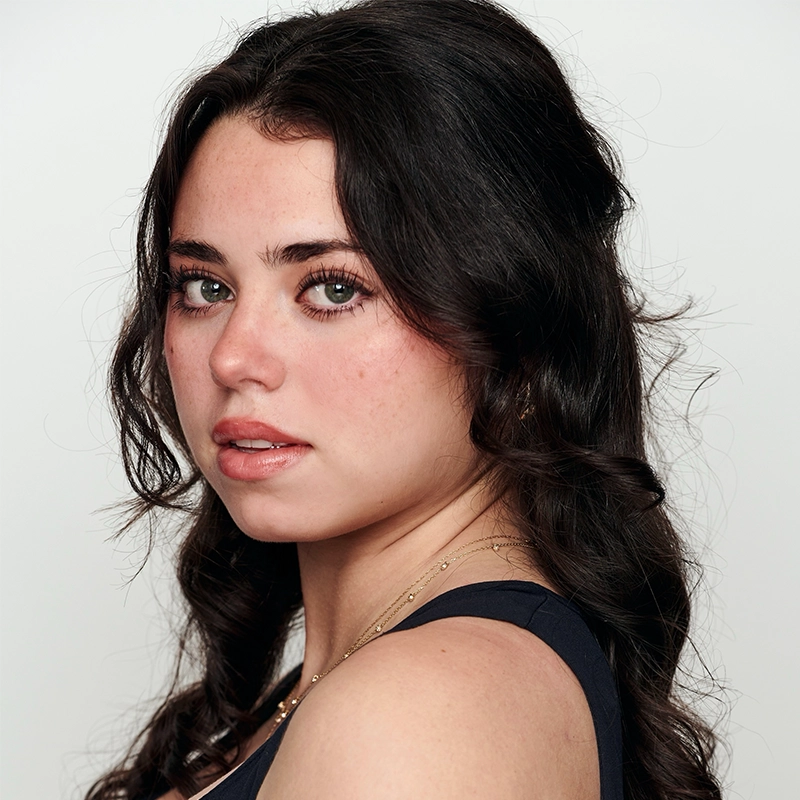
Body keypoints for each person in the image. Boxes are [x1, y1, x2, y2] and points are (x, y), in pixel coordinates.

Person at [87, 1, 723, 798]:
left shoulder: (417, 710)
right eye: (205, 285)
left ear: (518, 335)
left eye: (331, 287)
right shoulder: (386, 678)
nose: (234, 356)